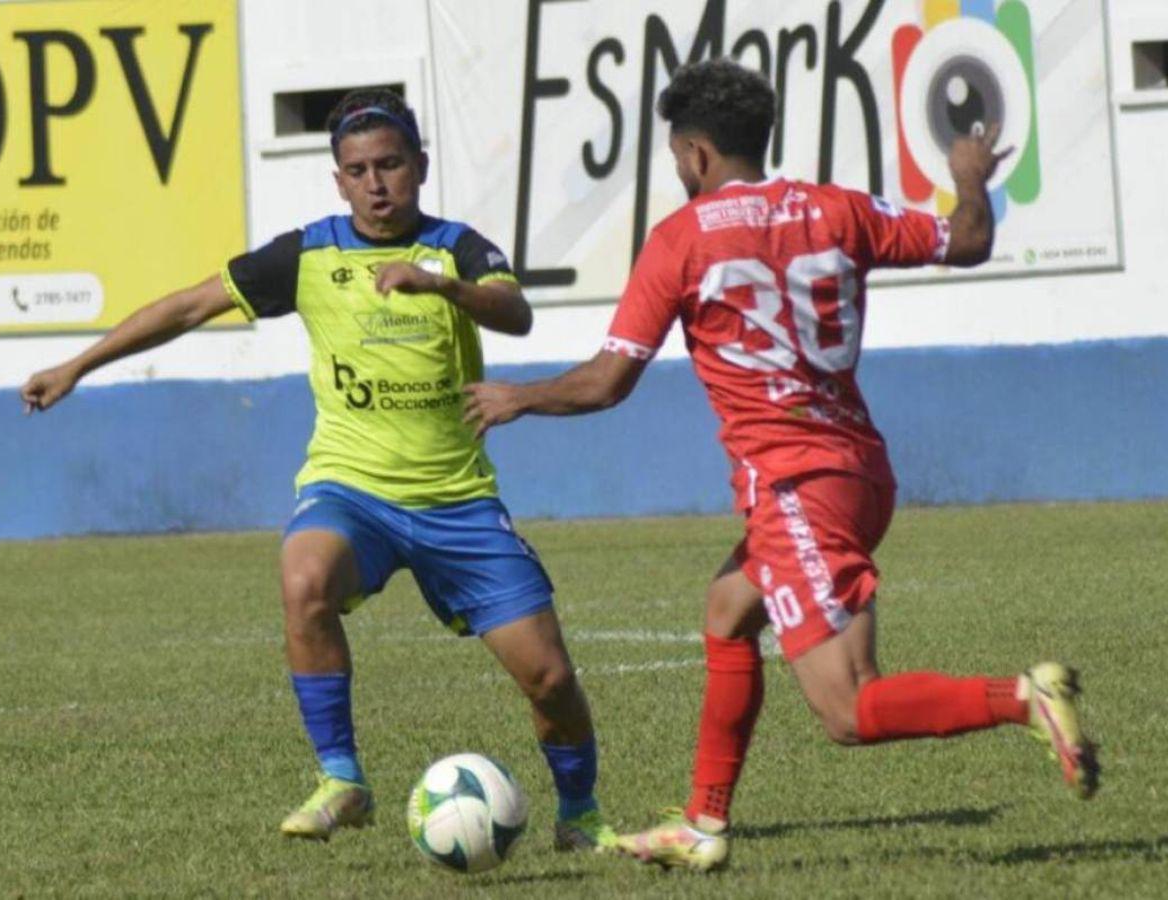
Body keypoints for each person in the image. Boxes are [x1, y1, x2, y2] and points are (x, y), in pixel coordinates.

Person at [463, 59, 1098, 871]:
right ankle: (703, 822)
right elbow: (968, 238)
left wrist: (518, 397)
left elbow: (607, 381)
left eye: (676, 155)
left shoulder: (682, 239)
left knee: (848, 709)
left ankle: (1023, 697)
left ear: (694, 153)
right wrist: (968, 175)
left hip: (797, 487)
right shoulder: (838, 209)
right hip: (861, 473)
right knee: (729, 609)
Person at [20, 87, 615, 851]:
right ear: (339, 180)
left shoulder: (457, 248)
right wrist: (77, 364)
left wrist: (440, 285)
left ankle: (579, 813)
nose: (376, 184)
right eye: (357, 171)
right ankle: (342, 777)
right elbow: (189, 306)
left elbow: (514, 312)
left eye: (389, 165)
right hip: (350, 490)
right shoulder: (306, 255)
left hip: (457, 501)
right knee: (304, 579)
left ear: (420, 165)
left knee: (549, 679)